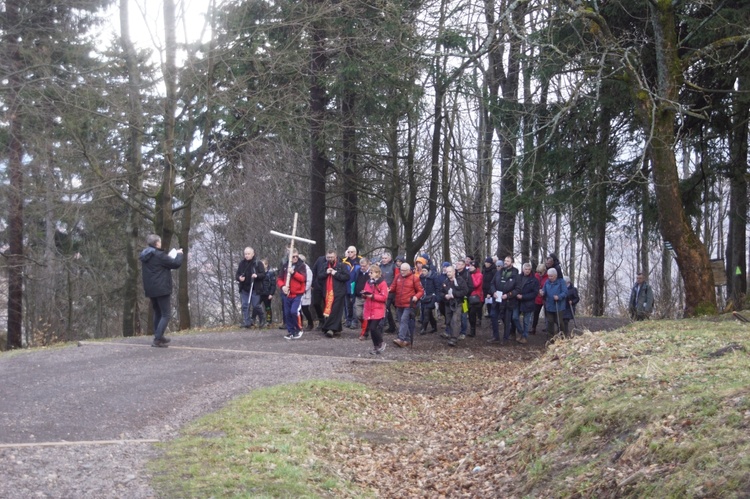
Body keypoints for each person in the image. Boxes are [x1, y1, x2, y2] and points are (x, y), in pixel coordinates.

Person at [139, 234, 183, 347]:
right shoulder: (158, 255)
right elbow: (175, 264)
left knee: (158, 312)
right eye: (159, 241)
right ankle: (157, 339)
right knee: (166, 314)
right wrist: (179, 254)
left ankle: (159, 335)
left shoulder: (145, 255)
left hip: (151, 288)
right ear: (157, 243)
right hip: (161, 287)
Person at [317, 249, 351, 337]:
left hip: (338, 291)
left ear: (335, 256)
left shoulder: (342, 265)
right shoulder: (324, 265)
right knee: (330, 310)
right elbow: (319, 277)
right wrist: (326, 273)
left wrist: (335, 274)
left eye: (331, 257)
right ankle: (337, 328)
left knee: (335, 310)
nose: (330, 259)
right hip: (327, 291)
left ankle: (329, 329)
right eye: (328, 257)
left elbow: (346, 277)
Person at [390, 262, 424, 348]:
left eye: (404, 270)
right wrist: (387, 289)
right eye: (401, 270)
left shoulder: (414, 278)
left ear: (409, 270)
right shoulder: (397, 277)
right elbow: (393, 287)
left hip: (409, 304)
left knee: (404, 320)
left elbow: (421, 291)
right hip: (399, 303)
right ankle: (407, 339)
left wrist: (416, 297)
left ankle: (401, 338)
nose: (402, 272)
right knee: (402, 321)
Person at [276, 249, 307, 340]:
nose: (295, 258)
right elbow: (279, 279)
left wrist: (293, 273)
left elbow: (303, 278)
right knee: (287, 313)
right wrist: (282, 287)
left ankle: (298, 329)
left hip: (297, 294)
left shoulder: (301, 266)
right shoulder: (285, 266)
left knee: (294, 311)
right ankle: (291, 331)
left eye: (296, 256)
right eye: (293, 257)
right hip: (287, 294)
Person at [488, 256, 518, 344]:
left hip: (507, 301)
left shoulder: (515, 274)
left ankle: (506, 338)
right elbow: (492, 283)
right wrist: (493, 292)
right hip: (497, 299)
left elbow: (517, 289)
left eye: (508, 261)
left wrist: (508, 295)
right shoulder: (499, 272)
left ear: (512, 263)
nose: (505, 262)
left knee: (506, 320)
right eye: (505, 260)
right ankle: (495, 336)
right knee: (493, 316)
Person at [235, 247, 266, 328]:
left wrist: (257, 275)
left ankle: (262, 318)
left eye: (248, 254)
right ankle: (247, 322)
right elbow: (237, 275)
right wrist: (239, 278)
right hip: (245, 289)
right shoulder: (242, 263)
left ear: (253, 254)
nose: (247, 255)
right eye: (245, 254)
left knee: (256, 305)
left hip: (255, 288)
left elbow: (263, 274)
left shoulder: (258, 263)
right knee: (245, 305)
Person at [362, 264, 389, 355]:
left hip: (378, 309)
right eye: (369, 272)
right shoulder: (368, 282)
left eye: (371, 272)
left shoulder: (382, 283)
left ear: (377, 273)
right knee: (371, 328)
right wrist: (364, 295)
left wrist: (373, 296)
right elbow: (366, 291)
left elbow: (384, 297)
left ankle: (381, 342)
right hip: (369, 308)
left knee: (373, 327)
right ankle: (376, 346)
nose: (369, 274)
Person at [511, 263, 540, 344]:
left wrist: (523, 296)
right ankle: (521, 332)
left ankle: (525, 336)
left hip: (528, 303)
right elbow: (513, 287)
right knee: (514, 317)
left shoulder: (534, 280)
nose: (527, 271)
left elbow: (534, 293)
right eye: (526, 269)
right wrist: (515, 294)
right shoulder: (518, 277)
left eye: (529, 269)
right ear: (523, 269)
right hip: (517, 301)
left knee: (526, 321)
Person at [439, 265, 468, 347]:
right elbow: (440, 292)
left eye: (450, 271)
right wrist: (445, 296)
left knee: (455, 320)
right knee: (448, 320)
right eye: (447, 272)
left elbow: (465, 291)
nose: (448, 273)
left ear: (454, 272)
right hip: (448, 303)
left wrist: (454, 295)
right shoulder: (445, 282)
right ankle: (451, 334)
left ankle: (454, 338)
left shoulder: (460, 281)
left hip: (457, 303)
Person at [541, 268, 568, 338]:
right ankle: (550, 337)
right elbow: (544, 290)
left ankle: (562, 335)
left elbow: (565, 292)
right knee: (550, 321)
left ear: (555, 275)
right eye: (549, 276)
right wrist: (542, 292)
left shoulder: (561, 282)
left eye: (551, 276)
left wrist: (559, 297)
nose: (550, 278)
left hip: (558, 305)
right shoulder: (547, 282)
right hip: (549, 305)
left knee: (559, 321)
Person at [342, 246, 361, 328]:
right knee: (347, 305)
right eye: (349, 252)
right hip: (346, 285)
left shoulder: (360, 261)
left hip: (356, 285)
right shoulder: (344, 262)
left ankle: (355, 321)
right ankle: (348, 320)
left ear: (355, 252)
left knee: (355, 305)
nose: (350, 253)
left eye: (352, 252)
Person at [379, 252, 398, 333]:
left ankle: (403, 327)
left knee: (397, 309)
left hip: (392, 291)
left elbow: (397, 278)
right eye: (382, 258)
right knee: (386, 309)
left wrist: (391, 288)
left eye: (385, 258)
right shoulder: (379, 266)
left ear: (390, 258)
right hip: (383, 291)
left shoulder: (394, 266)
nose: (383, 260)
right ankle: (391, 326)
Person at [353, 257, 371, 339]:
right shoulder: (358, 272)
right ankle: (366, 326)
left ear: (368, 264)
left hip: (367, 297)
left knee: (365, 316)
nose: (362, 268)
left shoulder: (371, 273)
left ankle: (364, 333)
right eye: (361, 266)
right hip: (358, 296)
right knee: (358, 314)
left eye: (364, 266)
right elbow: (355, 282)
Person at [418, 263, 439, 335]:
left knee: (426, 312)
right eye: (422, 270)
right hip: (424, 297)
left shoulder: (434, 277)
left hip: (432, 297)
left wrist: (436, 299)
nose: (423, 272)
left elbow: (437, 288)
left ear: (428, 271)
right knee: (428, 313)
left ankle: (423, 328)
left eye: (425, 271)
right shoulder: (421, 277)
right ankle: (434, 326)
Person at [466, 260, 484, 338]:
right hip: (468, 296)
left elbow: (475, 284)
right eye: (470, 266)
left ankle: (473, 330)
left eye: (472, 266)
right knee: (468, 313)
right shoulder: (468, 274)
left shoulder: (479, 275)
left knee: (472, 313)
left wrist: (470, 278)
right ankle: (471, 329)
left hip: (476, 297)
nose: (470, 267)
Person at [298, 254, 315, 331]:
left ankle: (310, 323)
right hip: (298, 292)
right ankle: (299, 323)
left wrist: (303, 289)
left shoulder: (307, 270)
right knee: (298, 309)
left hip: (304, 292)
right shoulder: (298, 269)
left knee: (305, 309)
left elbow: (309, 282)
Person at [531, 263, 548, 335]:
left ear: (544, 271)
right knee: (535, 313)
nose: (539, 273)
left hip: (545, 297)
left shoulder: (547, 277)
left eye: (541, 272)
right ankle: (533, 328)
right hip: (537, 297)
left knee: (547, 314)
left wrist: (544, 292)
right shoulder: (536, 276)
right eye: (538, 272)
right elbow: (533, 284)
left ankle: (548, 328)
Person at [258, 258, 276, 326]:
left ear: (266, 265)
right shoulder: (259, 273)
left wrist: (271, 293)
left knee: (268, 307)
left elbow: (273, 284)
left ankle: (269, 321)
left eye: (262, 264)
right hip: (260, 293)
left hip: (267, 293)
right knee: (257, 307)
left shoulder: (270, 273)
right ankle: (260, 320)